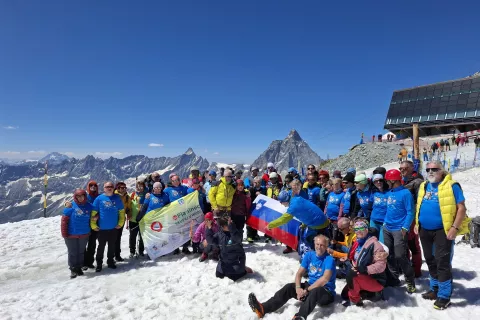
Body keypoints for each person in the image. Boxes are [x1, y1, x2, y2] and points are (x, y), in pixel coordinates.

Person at [415, 161, 469, 310]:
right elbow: (419, 205)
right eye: (428, 169)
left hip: (443, 230)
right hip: (424, 229)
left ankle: (444, 296)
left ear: (442, 170)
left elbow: (461, 208)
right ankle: (435, 289)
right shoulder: (424, 185)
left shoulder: (452, 185)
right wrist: (416, 223)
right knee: (430, 259)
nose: (430, 171)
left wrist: (454, 227)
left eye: (434, 169)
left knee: (442, 261)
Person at [248, 235, 336, 320]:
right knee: (289, 287)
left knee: (316, 291)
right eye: (317, 244)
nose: (319, 247)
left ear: (326, 246)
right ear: (314, 244)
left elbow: (325, 279)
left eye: (322, 245)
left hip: (325, 292)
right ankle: (263, 308)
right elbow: (299, 274)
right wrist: (298, 288)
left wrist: (307, 290)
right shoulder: (309, 255)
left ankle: (300, 317)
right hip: (310, 287)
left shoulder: (329, 260)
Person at [268, 182, 329, 259]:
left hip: (317, 224)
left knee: (312, 242)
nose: (281, 203)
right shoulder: (295, 198)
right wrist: (304, 224)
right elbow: (305, 212)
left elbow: (283, 220)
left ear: (285, 200)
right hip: (320, 220)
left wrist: (270, 225)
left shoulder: (293, 206)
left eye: (281, 202)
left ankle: (315, 260)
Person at [382, 169, 416, 293]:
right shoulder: (390, 192)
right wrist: (385, 223)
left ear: (393, 180)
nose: (386, 182)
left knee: (400, 256)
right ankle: (393, 278)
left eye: (387, 180)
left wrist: (405, 227)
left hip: (399, 229)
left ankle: (410, 280)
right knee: (389, 254)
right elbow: (388, 210)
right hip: (387, 228)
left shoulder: (405, 193)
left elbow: (410, 212)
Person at [341, 219, 388, 307]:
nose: (358, 231)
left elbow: (381, 265)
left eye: (362, 229)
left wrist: (366, 269)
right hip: (362, 275)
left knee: (351, 276)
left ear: (367, 229)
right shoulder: (357, 243)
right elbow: (356, 257)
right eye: (356, 229)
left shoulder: (375, 244)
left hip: (375, 279)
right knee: (344, 294)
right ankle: (366, 292)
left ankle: (356, 301)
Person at [90, 181, 125, 272]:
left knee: (112, 247)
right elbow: (93, 213)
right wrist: (93, 225)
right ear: (104, 188)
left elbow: (121, 212)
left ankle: (110, 262)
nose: (109, 188)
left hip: (113, 228)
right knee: (101, 247)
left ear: (113, 188)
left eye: (111, 186)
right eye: (107, 187)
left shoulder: (117, 198)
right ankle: (99, 264)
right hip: (102, 229)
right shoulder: (99, 199)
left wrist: (121, 223)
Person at [207, 216, 253, 281]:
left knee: (234, 277)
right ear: (222, 227)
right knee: (219, 275)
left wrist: (232, 227)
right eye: (227, 225)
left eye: (229, 224)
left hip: (236, 260)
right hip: (224, 261)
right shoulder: (219, 234)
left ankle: (244, 268)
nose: (228, 226)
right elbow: (210, 240)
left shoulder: (236, 232)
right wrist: (209, 228)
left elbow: (237, 238)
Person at [61, 189, 93, 278]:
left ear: (85, 196)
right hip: (71, 235)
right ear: (75, 197)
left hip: (84, 234)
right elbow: (64, 221)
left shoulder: (89, 206)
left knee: (81, 252)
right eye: (78, 196)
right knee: (72, 252)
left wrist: (96, 216)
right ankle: (73, 268)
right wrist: (64, 234)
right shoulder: (70, 207)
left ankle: (79, 267)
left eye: (82, 196)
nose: (80, 198)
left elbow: (96, 211)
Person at [400, 160, 423, 278]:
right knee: (404, 244)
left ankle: (416, 269)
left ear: (412, 168)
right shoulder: (402, 181)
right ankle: (408, 267)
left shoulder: (417, 181)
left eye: (404, 168)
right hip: (402, 217)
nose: (402, 171)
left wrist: (417, 219)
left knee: (413, 244)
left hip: (412, 217)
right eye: (400, 169)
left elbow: (420, 201)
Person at [113, 181, 131, 262]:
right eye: (121, 188)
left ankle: (117, 255)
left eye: (124, 188)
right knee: (112, 238)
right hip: (112, 219)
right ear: (117, 188)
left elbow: (128, 207)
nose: (123, 189)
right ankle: (111, 255)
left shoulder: (127, 197)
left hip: (121, 220)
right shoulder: (113, 195)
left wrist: (129, 213)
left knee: (118, 238)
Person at [129, 180, 147, 258]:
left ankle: (141, 251)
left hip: (143, 219)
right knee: (132, 236)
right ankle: (132, 251)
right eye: (138, 186)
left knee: (142, 236)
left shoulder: (147, 195)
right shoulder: (132, 195)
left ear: (144, 186)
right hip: (133, 219)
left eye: (141, 186)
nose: (139, 188)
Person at [84, 180, 99, 269]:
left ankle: (89, 262)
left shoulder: (99, 197)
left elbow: (101, 208)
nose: (93, 187)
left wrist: (98, 215)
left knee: (92, 244)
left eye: (95, 185)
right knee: (83, 244)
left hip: (95, 223)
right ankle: (84, 263)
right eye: (91, 185)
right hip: (85, 223)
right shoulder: (84, 196)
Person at [247, 176, 266, 243]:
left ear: (260, 183)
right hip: (251, 208)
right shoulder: (251, 189)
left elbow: (265, 198)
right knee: (250, 222)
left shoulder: (263, 190)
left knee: (256, 222)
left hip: (259, 209)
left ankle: (255, 234)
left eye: (258, 182)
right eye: (255, 182)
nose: (256, 184)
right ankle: (249, 236)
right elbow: (248, 198)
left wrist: (261, 195)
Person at [370, 174, 389, 242]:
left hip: (384, 222)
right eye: (376, 181)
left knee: (382, 243)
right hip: (374, 220)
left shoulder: (389, 192)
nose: (378, 182)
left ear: (383, 181)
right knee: (373, 241)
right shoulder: (374, 192)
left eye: (380, 180)